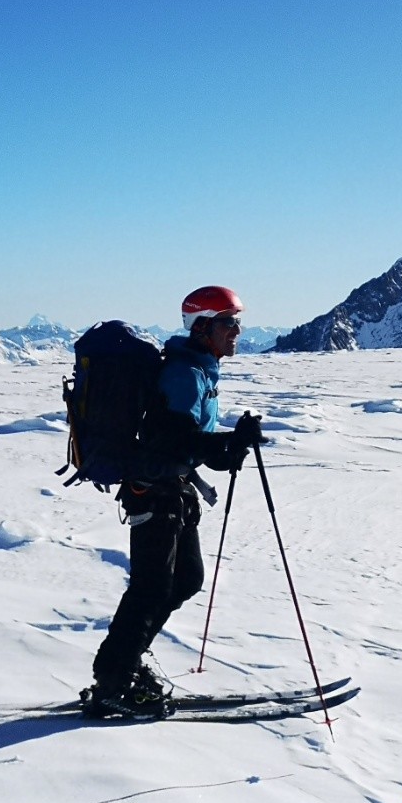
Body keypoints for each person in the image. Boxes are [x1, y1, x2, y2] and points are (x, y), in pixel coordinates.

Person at [83, 285, 264, 717]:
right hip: (153, 489)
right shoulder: (185, 373)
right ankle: (113, 679)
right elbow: (170, 438)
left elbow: (190, 445)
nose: (236, 331)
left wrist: (229, 445)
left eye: (237, 322)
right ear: (203, 328)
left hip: (173, 490)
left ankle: (126, 663)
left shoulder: (200, 370)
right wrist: (222, 442)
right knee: (152, 588)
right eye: (229, 323)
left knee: (184, 580)